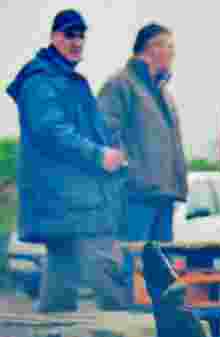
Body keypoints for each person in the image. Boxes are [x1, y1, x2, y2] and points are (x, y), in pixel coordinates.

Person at [6, 9, 129, 312]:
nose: (76, 42)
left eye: (80, 35)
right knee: (108, 273)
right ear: (53, 37)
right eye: (68, 34)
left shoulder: (73, 82)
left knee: (60, 280)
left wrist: (114, 152)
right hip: (64, 196)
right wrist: (99, 155)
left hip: (72, 196)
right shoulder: (40, 80)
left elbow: (93, 131)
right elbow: (51, 131)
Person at [97, 22, 187, 243]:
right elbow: (105, 133)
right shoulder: (120, 84)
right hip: (135, 196)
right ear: (151, 48)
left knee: (159, 269)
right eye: (168, 46)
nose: (173, 53)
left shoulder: (164, 94)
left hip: (164, 196)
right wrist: (129, 173)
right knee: (131, 267)